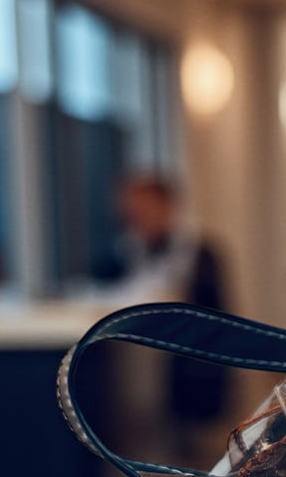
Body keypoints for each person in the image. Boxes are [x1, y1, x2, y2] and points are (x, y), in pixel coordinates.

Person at [99, 174, 230, 438]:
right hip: (130, 367)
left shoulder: (199, 254)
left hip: (184, 367)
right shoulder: (121, 254)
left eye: (144, 208)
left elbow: (213, 314)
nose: (137, 217)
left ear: (167, 206)